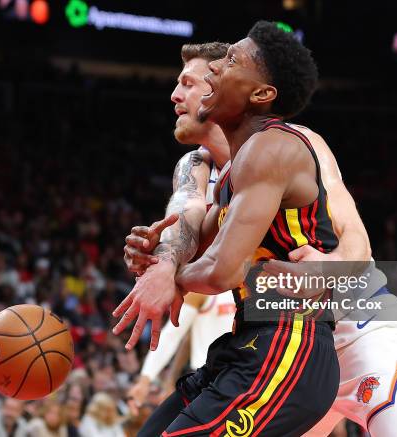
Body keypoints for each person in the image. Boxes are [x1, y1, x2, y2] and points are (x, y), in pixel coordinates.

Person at [116, 21, 341, 435]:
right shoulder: (225, 171)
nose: (218, 68)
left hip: (296, 341)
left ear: (261, 94)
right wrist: (156, 261)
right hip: (248, 342)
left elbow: (220, 271)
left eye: (232, 61)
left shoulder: (274, 146)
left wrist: (172, 279)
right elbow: (190, 239)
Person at [124, 43, 236, 416]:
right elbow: (184, 212)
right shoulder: (195, 165)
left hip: (346, 319)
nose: (174, 95)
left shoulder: (286, 148)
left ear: (220, 89)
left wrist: (176, 274)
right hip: (258, 345)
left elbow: (352, 247)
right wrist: (162, 261)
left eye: (187, 83)